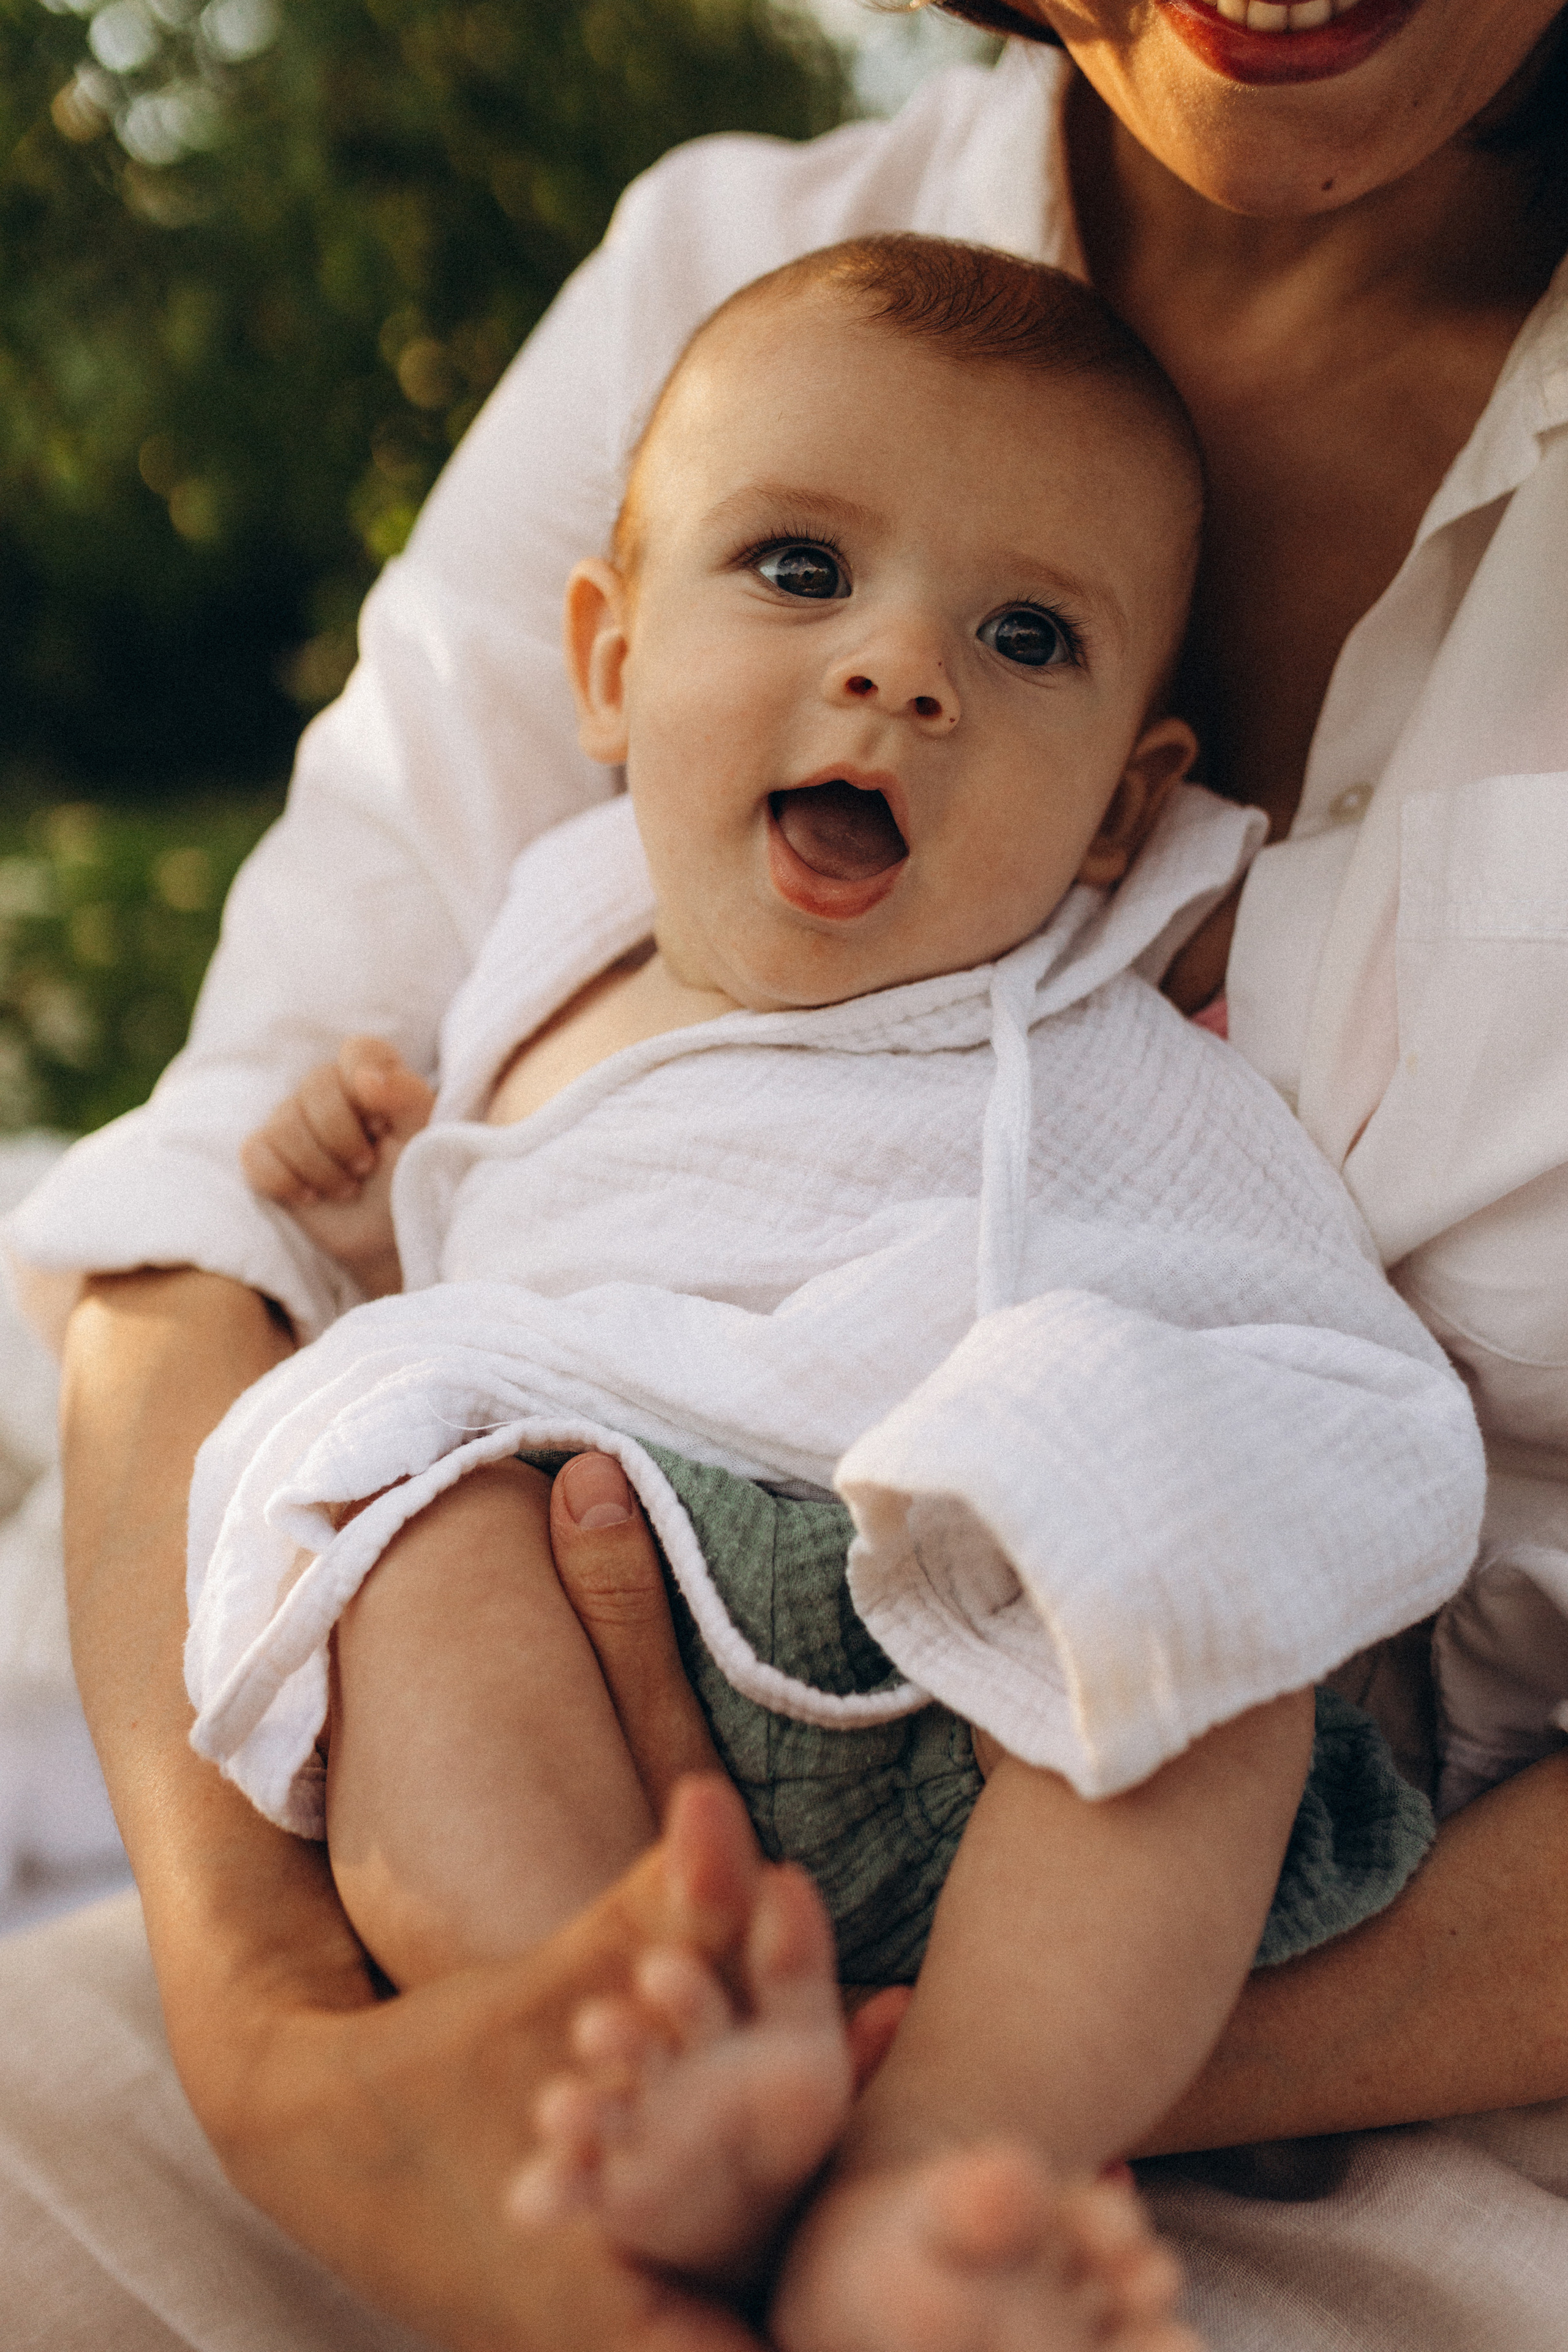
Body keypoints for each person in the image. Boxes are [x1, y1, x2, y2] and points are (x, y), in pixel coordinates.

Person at [4, 6, 1566, 2350]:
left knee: (1168, 1545)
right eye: (800, 577)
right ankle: (592, 2038)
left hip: (1330, 2018)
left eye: (1022, 642)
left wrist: (936, 2077)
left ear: (1139, 814)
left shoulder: (1116, 950)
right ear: (610, 665)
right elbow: (201, 1243)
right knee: (389, 1481)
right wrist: (297, 2066)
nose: (902, 682)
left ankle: (932, 2186)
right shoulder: (747, 294)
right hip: (529, 1857)